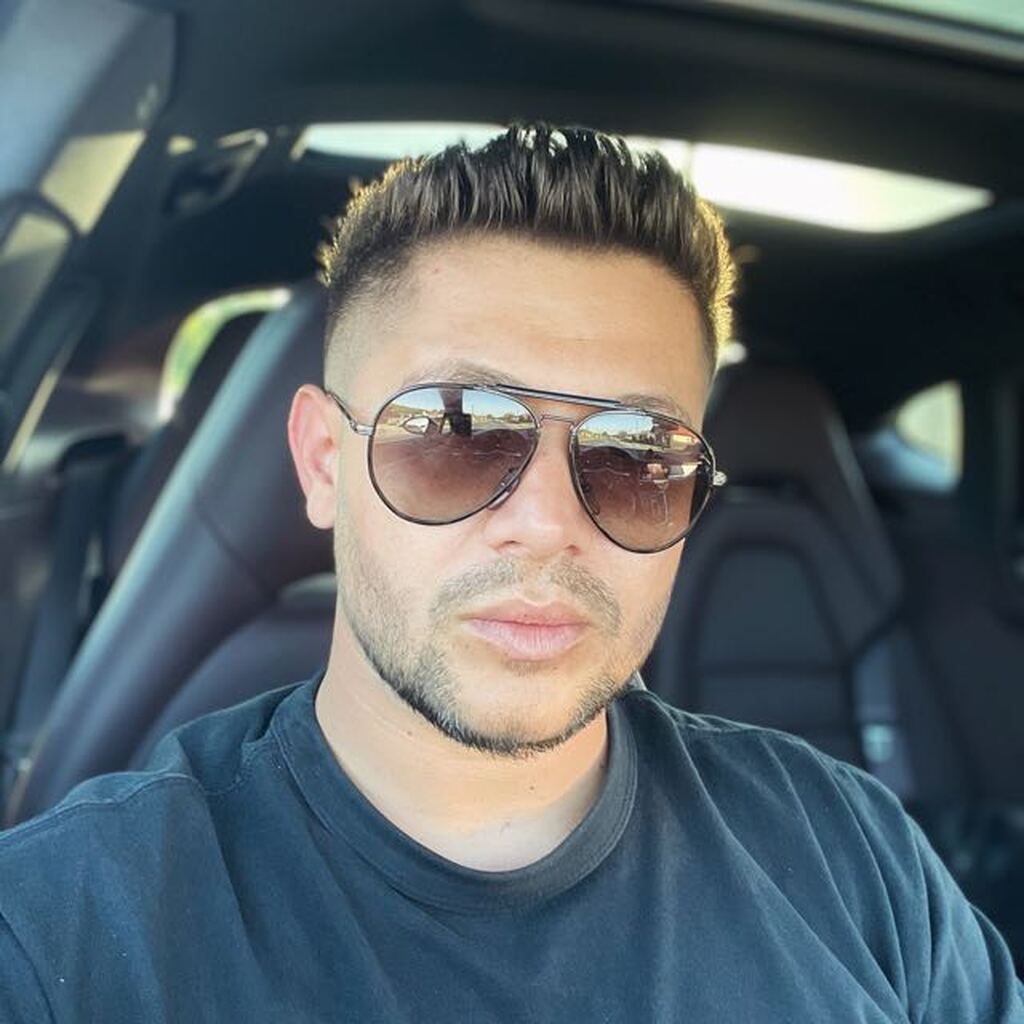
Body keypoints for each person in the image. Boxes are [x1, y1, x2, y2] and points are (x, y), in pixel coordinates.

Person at [0, 124, 1021, 1023]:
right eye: (454, 431)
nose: (545, 526)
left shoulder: (850, 855)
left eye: (636, 455)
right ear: (321, 462)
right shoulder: (61, 934)